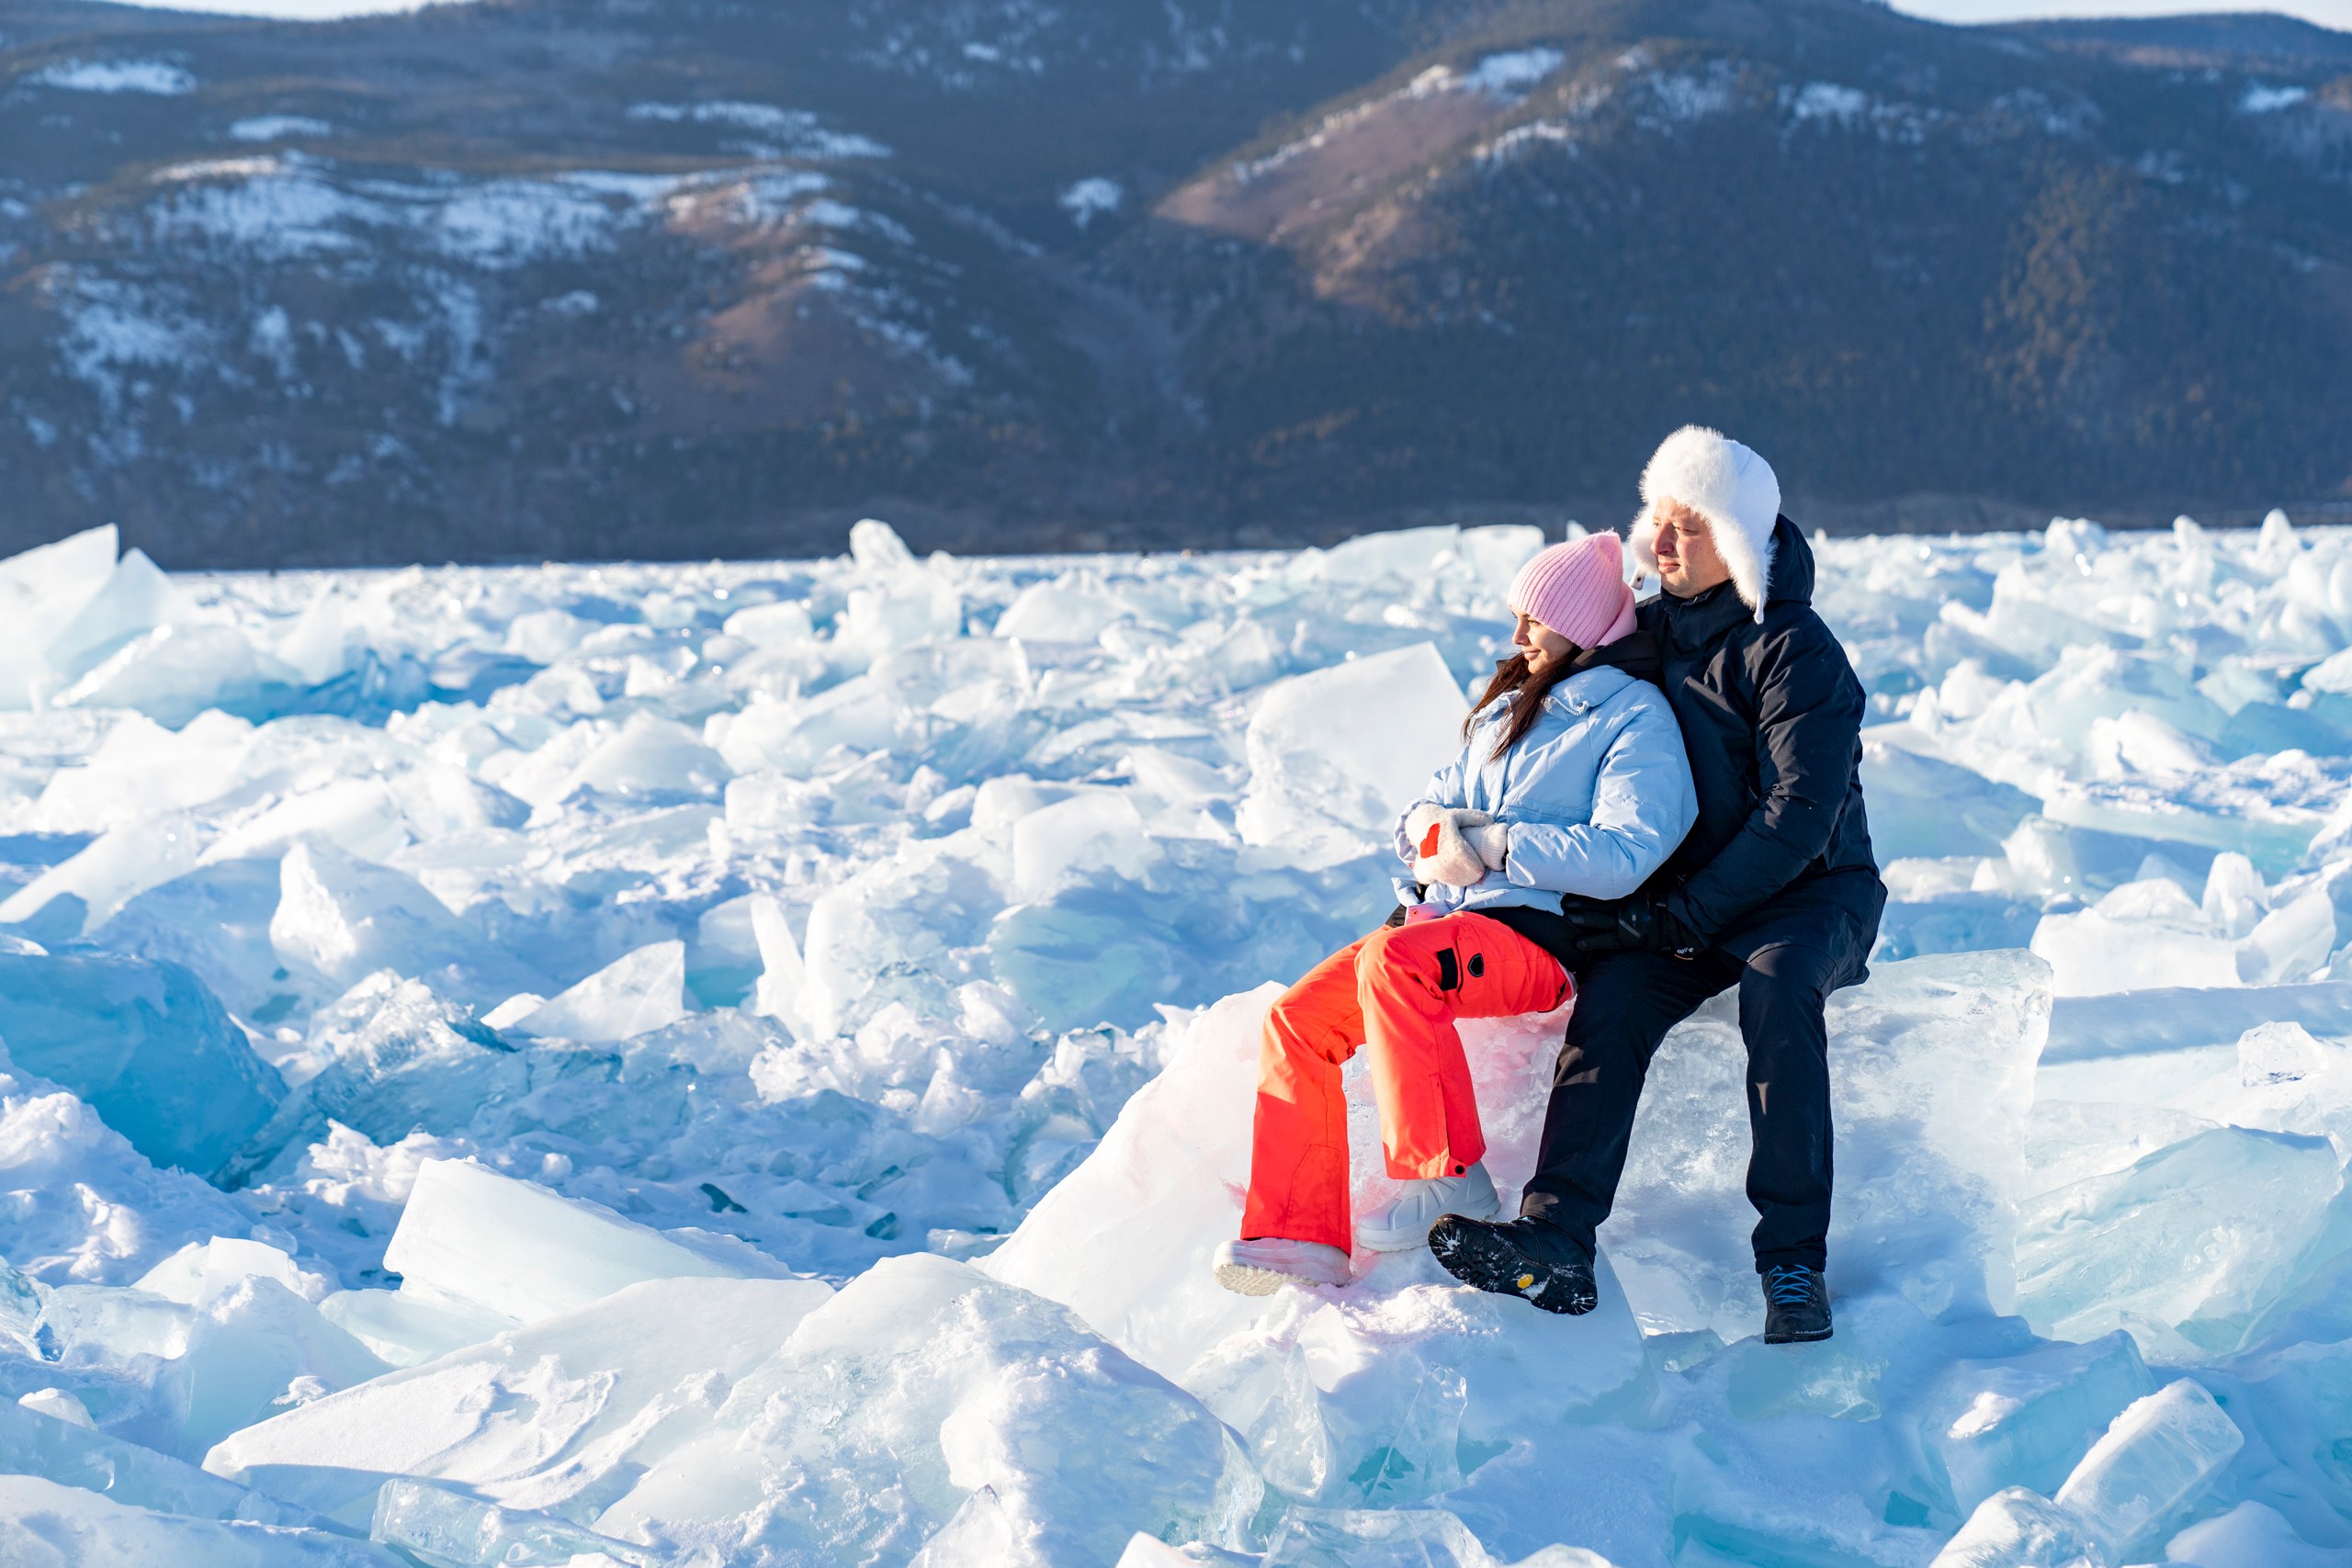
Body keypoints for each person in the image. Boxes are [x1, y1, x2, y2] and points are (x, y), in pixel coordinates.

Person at [1429, 425, 1884, 1345]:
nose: (1663, 543)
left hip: (1809, 895)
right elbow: (1567, 704)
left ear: (1744, 542)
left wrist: (1676, 913)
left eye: (1692, 526)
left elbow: (1800, 817)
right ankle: (1556, 1237)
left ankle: (1792, 1260)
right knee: (1613, 1001)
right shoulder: (1651, 631)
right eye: (1659, 521)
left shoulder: (1795, 651)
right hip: (1689, 904)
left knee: (1778, 991)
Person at [1214, 531, 1696, 1300]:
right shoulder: (1505, 710)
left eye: (1532, 620)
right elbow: (1424, 806)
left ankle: (1447, 1177)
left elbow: (1630, 851)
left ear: (1581, 625)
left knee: (1395, 965)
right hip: (1446, 923)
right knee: (1298, 1022)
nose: (1517, 637)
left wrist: (1500, 845)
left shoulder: (1636, 719)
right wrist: (1430, 835)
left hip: (1537, 938)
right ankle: (1300, 1233)